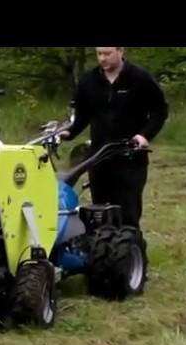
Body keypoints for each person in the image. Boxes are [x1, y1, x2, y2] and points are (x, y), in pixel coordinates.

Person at [60, 47, 169, 231]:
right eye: (99, 54)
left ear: (121, 51)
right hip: (98, 158)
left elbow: (160, 110)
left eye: (107, 54)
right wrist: (69, 133)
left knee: (128, 215)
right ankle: (104, 255)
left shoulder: (139, 78)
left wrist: (144, 135)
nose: (102, 58)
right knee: (101, 214)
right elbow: (82, 116)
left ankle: (133, 255)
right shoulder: (89, 81)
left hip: (130, 158)